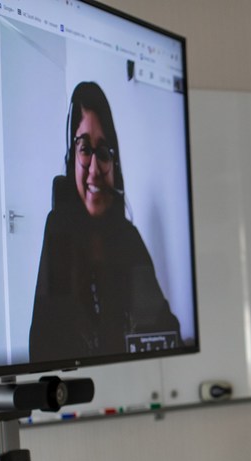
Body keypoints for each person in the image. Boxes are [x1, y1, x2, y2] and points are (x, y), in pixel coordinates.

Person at [30, 81, 180, 363]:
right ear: (72, 156)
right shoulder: (60, 232)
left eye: (103, 152)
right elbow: (45, 347)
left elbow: (164, 327)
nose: (96, 169)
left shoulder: (127, 237)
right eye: (85, 149)